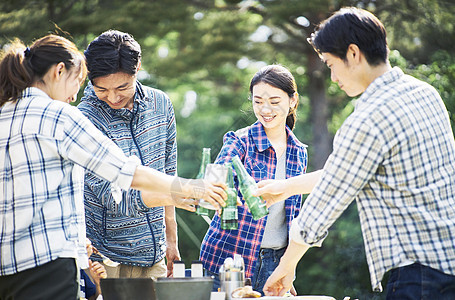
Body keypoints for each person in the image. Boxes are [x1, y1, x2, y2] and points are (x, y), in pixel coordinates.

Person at [0, 34, 226, 299]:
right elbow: (123, 174)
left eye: (122, 87)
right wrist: (189, 188)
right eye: (80, 82)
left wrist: (170, 234)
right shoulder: (62, 116)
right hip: (60, 261)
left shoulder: (6, 111)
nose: (74, 95)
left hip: (10, 265)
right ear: (59, 71)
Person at [257, 7, 455, 299]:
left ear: (352, 53)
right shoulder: (425, 93)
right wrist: (286, 188)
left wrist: (287, 264)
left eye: (330, 63)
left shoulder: (368, 118)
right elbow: (349, 172)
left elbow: (328, 199)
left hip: (418, 274)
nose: (332, 76)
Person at [77, 30, 183, 279]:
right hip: (105, 261)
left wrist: (171, 238)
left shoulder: (161, 104)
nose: (112, 97)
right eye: (101, 89)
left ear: (138, 68)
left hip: (155, 255)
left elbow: (169, 171)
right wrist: (185, 192)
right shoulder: (84, 119)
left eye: (122, 87)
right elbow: (115, 198)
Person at [199, 65, 310, 295]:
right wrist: (218, 191)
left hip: (274, 262)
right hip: (229, 260)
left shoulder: (299, 152)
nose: (265, 109)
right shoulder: (240, 142)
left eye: (274, 101)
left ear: (292, 100)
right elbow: (216, 176)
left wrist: (287, 267)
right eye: (258, 101)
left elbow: (292, 217)